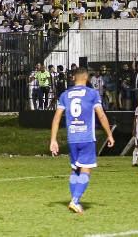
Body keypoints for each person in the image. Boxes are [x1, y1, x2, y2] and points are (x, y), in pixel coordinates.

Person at [49, 65, 115, 215]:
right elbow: (101, 115)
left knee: (75, 169)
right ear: (86, 77)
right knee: (86, 170)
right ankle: (75, 201)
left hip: (72, 138)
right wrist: (109, 134)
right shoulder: (92, 93)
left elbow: (57, 117)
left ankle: (74, 199)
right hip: (86, 137)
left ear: (73, 78)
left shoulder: (65, 95)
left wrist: (53, 139)